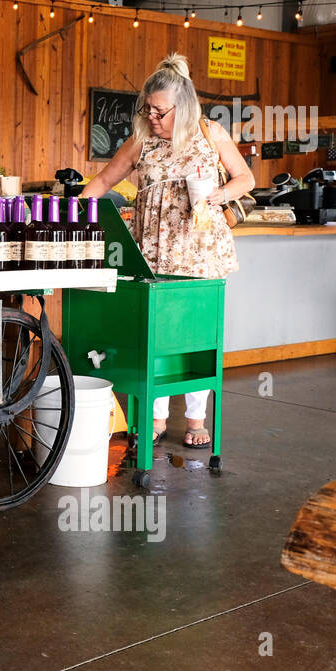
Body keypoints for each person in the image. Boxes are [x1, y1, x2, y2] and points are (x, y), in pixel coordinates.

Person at [81, 53, 254, 449]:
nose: (153, 118)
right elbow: (105, 179)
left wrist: (219, 194)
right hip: (154, 252)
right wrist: (75, 210)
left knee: (195, 336)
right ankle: (155, 418)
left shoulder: (211, 134)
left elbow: (246, 177)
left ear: (185, 106)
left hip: (200, 252)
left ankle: (195, 419)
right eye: (148, 109)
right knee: (155, 335)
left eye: (160, 111)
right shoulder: (142, 140)